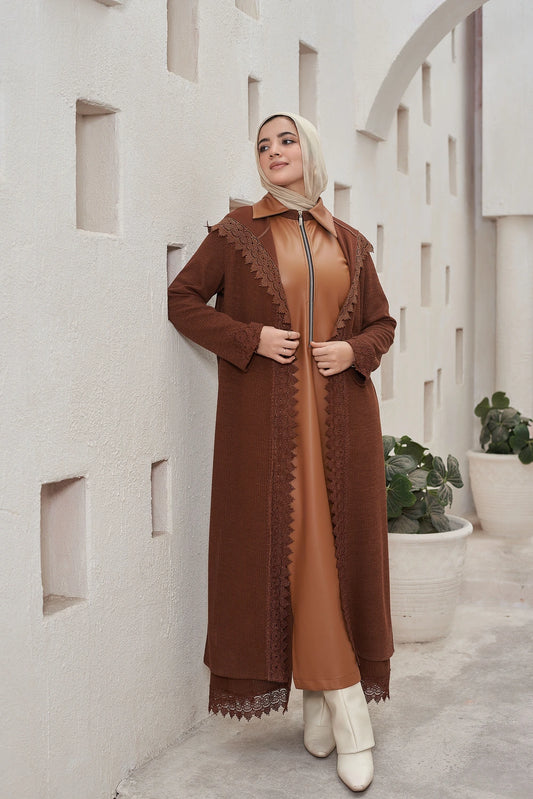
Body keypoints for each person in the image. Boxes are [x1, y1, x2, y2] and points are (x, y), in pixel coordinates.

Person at [168, 113, 396, 792]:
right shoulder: (235, 236)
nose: (273, 151)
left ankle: (325, 705)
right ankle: (348, 712)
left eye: (286, 139)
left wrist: (350, 350)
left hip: (341, 432)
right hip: (266, 437)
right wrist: (248, 338)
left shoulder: (350, 243)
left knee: (330, 561)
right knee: (298, 563)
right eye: (264, 144)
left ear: (310, 150)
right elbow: (182, 300)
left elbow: (382, 324)